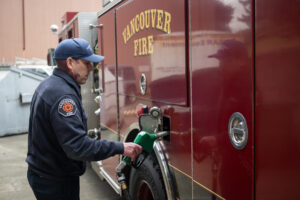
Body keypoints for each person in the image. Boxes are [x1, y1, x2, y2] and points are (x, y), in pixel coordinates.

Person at [26, 38, 142, 200]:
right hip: (55, 181)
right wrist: (121, 147)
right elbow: (77, 146)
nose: (91, 68)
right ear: (70, 62)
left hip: (45, 174)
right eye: (86, 63)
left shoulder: (49, 85)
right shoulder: (64, 97)